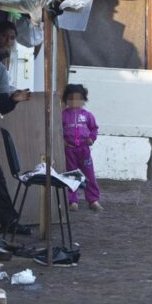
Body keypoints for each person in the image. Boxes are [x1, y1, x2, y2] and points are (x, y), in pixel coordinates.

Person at [0, 30, 33, 234]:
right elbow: (3, 105)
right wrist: (13, 100)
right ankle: (7, 221)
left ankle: (8, 221)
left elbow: (2, 105)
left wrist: (14, 99)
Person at [62, 84, 103, 212]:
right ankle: (72, 201)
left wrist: (92, 138)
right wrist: (62, 140)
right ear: (66, 99)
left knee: (89, 175)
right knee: (71, 175)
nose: (74, 101)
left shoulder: (87, 115)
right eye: (71, 98)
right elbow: (58, 130)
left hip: (84, 150)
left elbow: (94, 128)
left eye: (78, 98)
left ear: (84, 99)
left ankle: (93, 200)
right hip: (69, 150)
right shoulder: (62, 115)